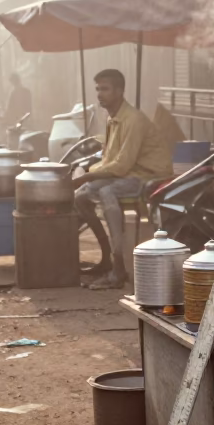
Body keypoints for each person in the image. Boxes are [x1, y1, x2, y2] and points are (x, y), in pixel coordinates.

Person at [73, 69, 173, 290]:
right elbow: (109, 160)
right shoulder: (112, 119)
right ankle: (106, 259)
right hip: (129, 173)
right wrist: (84, 171)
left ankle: (118, 269)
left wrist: (87, 175)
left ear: (119, 91)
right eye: (98, 89)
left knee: (106, 191)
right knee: (80, 196)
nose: (100, 94)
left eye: (105, 89)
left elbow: (121, 165)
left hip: (150, 176)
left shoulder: (134, 119)